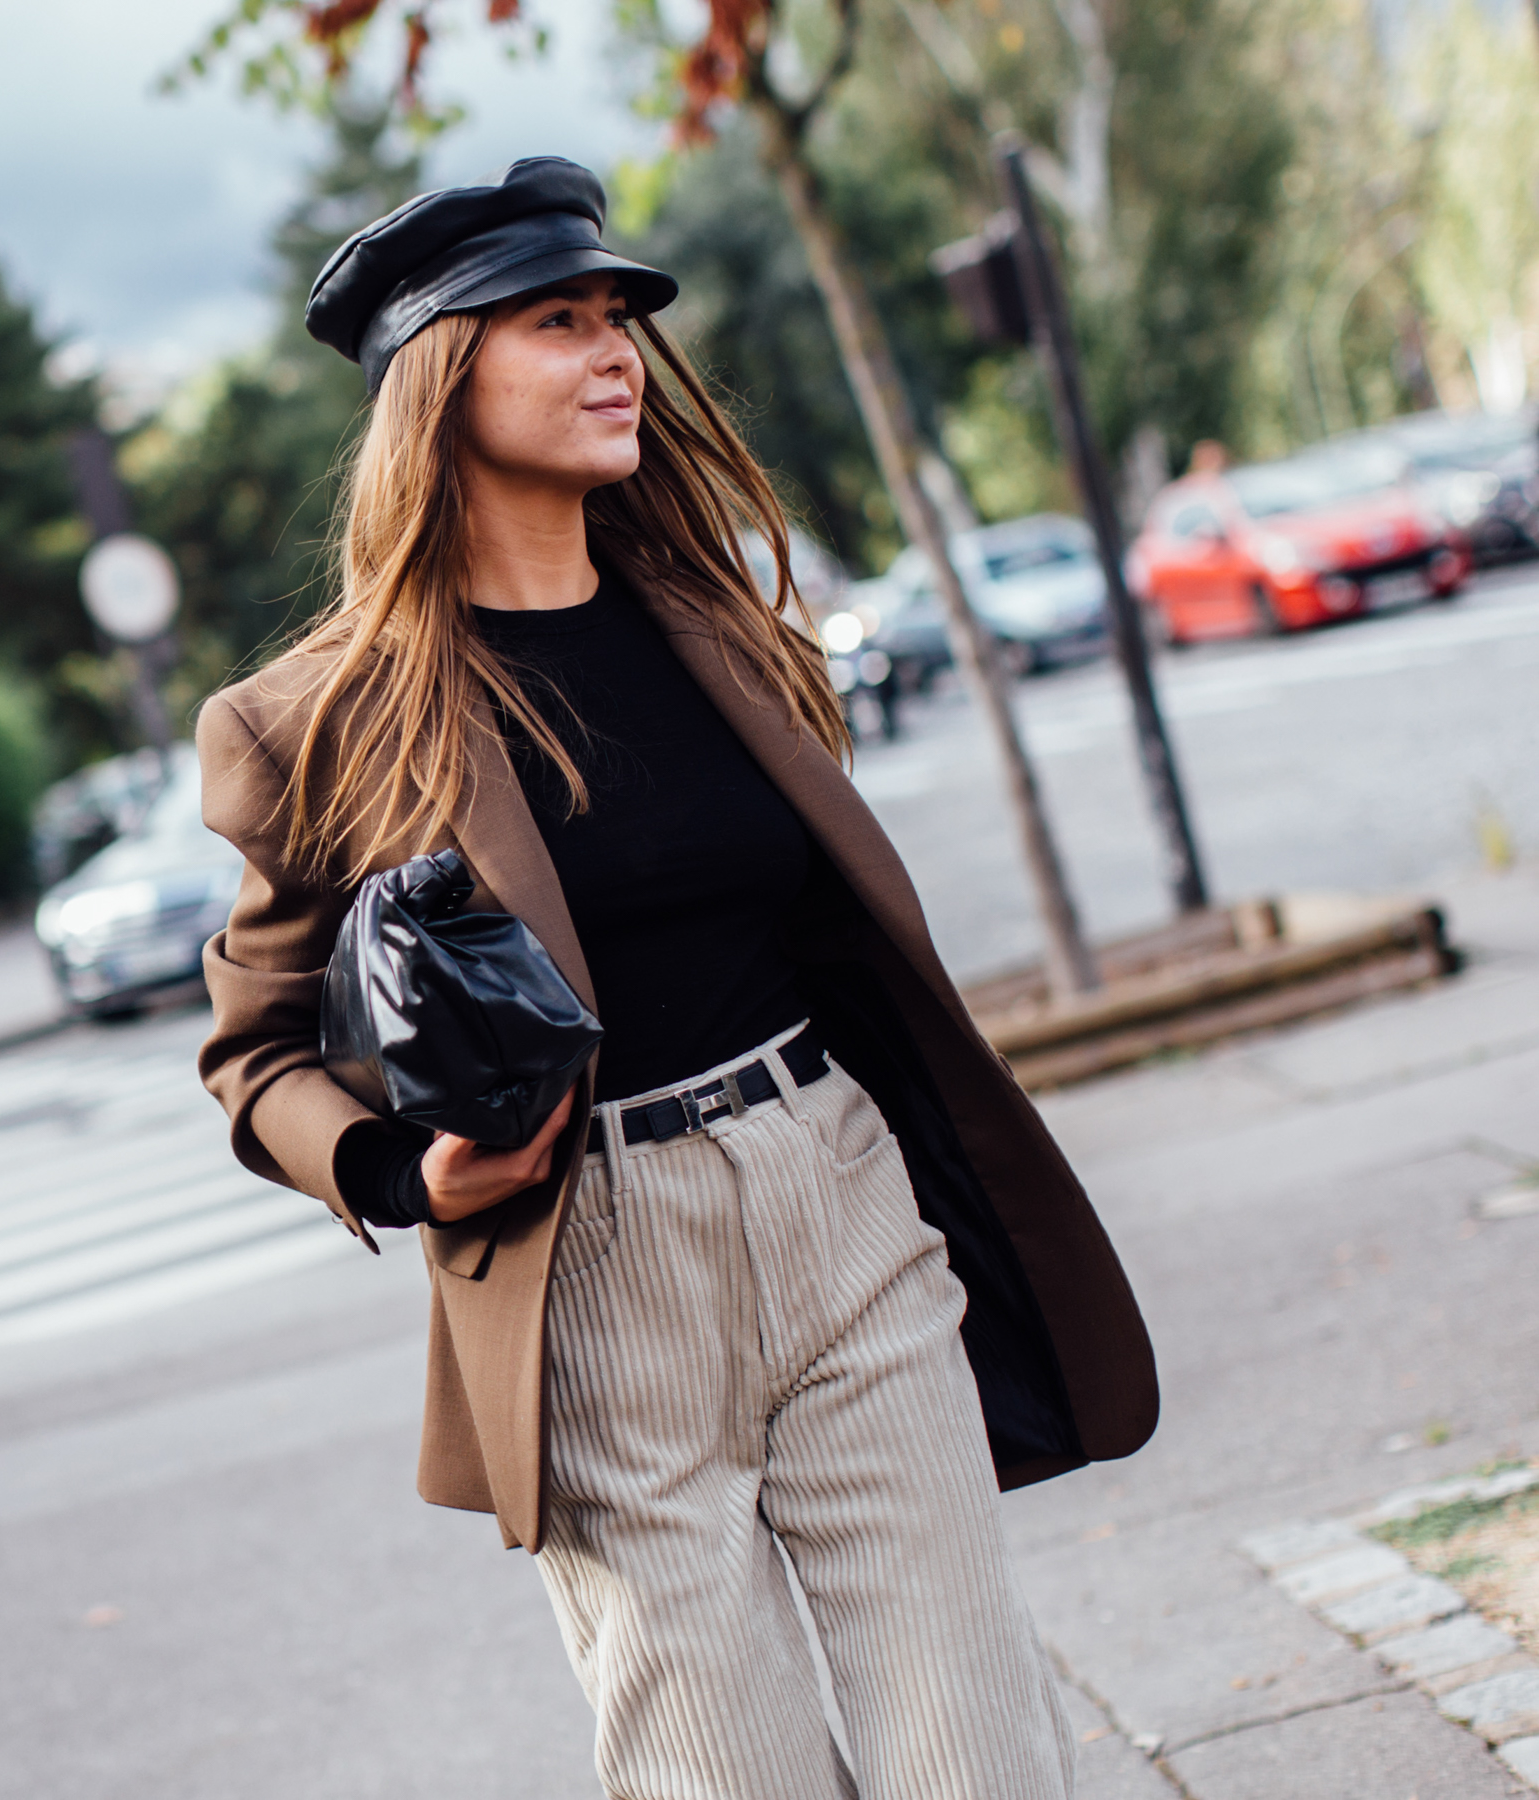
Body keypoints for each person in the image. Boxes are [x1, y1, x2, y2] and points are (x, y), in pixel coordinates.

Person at [194, 158, 1157, 1800]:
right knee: (725, 1766)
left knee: (974, 1745)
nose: (614, 349)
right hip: (592, 1258)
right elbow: (260, 1046)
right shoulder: (318, 721)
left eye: (619, 316)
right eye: (556, 322)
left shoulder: (721, 624)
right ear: (440, 378)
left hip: (836, 1189)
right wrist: (395, 1167)